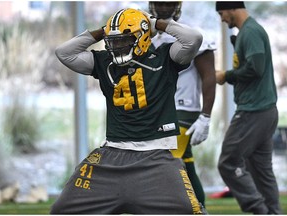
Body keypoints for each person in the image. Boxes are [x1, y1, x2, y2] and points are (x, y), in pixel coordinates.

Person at [50, 8, 205, 214]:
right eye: (113, 41)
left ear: (142, 37)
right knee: (62, 211)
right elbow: (64, 52)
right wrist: (101, 31)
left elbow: (193, 38)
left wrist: (156, 24)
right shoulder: (105, 62)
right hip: (111, 154)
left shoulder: (165, 57)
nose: (117, 47)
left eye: (124, 40)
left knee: (190, 211)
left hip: (156, 156)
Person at [215, 2, 282, 214]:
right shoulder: (247, 32)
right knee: (261, 171)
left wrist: (226, 76)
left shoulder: (251, 32)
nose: (222, 19)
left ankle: (258, 209)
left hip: (253, 111)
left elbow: (256, 68)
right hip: (266, 111)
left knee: (228, 162)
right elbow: (252, 65)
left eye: (222, 13)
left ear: (233, 8)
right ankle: (273, 213)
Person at [149, 1, 216, 207]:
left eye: (169, 2)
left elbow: (209, 77)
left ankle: (168, 208)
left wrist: (205, 116)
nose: (164, 7)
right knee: (184, 161)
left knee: (165, 162)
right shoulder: (145, 35)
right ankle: (200, 208)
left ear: (178, 4)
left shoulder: (193, 34)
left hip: (183, 109)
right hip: (157, 109)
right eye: (159, 2)